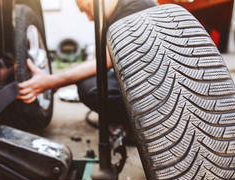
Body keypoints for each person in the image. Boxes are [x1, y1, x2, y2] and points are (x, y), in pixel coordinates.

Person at [17, 0, 156, 126]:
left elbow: (107, 60)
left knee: (92, 90)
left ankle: (143, 125)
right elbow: (97, 59)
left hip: (154, 90)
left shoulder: (136, 7)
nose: (90, 18)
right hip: (137, 79)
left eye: (87, 8)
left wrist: (54, 81)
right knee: (88, 82)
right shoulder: (113, 16)